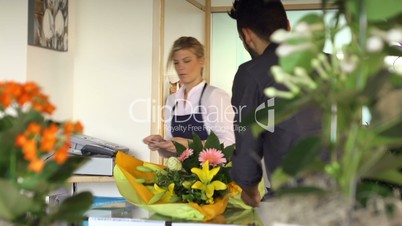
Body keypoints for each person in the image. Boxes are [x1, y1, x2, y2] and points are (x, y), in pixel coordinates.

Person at [228, 0, 322, 207]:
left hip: (294, 203)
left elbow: (246, 140)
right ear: (288, 26)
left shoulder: (251, 74)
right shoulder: (331, 64)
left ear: (247, 36)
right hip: (348, 198)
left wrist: (250, 189)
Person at [143, 36, 235, 158]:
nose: (180, 67)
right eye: (176, 62)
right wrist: (162, 144)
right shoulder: (172, 100)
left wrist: (188, 144)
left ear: (201, 61)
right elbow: (172, 151)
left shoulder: (215, 96)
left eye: (187, 61)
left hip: (212, 174)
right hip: (181, 175)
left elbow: (229, 143)